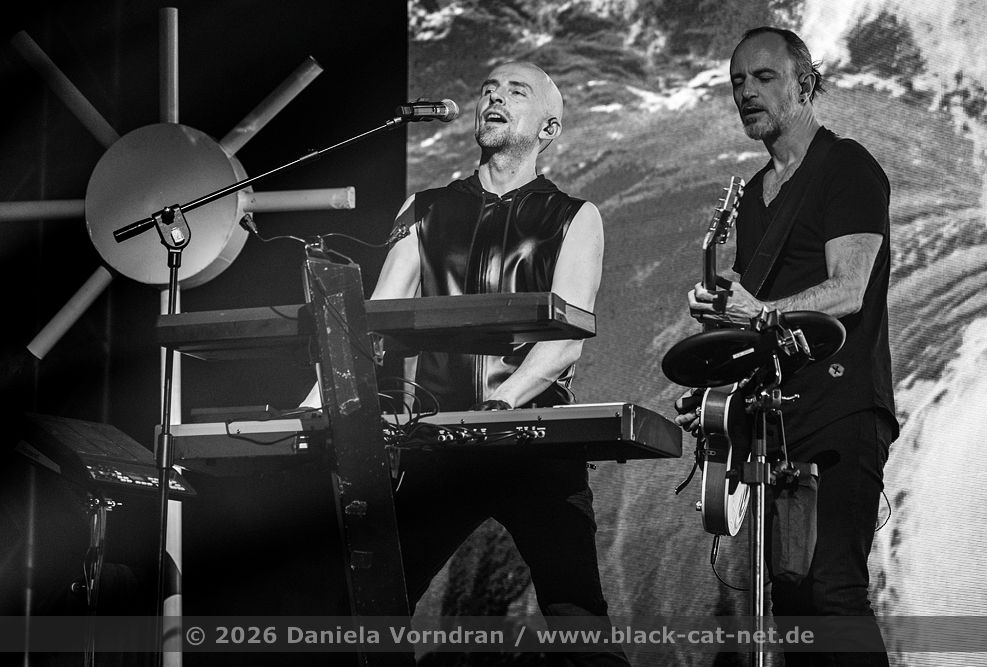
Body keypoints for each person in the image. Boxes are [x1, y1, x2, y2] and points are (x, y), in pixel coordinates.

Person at [306, 61, 628, 666]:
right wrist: (314, 399)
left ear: (549, 128)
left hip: (535, 442)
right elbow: (375, 320)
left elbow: (567, 338)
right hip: (437, 442)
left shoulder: (575, 216)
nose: (494, 98)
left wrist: (502, 402)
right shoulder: (423, 208)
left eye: (515, 91)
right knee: (371, 608)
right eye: (488, 90)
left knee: (577, 616)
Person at [680, 27, 898, 666]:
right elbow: (757, 323)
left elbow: (849, 288)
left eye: (763, 77)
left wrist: (760, 310)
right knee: (793, 600)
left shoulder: (846, 166)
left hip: (841, 411)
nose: (746, 91)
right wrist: (720, 336)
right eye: (737, 82)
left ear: (805, 84)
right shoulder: (751, 196)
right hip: (775, 423)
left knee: (832, 590)